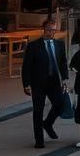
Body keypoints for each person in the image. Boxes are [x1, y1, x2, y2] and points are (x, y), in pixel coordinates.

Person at [22, 17, 68, 148]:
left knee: (60, 105)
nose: (51, 33)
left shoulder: (59, 44)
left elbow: (63, 62)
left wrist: (64, 78)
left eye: (53, 30)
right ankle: (39, 139)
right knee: (38, 111)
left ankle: (48, 123)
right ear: (44, 29)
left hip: (54, 81)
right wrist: (26, 84)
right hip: (38, 83)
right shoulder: (34, 46)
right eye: (49, 30)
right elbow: (27, 66)